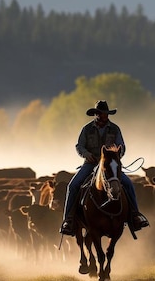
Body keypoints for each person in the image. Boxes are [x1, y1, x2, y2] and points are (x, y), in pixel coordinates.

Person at [59, 100, 149, 236]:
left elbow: (121, 146)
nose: (104, 116)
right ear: (96, 114)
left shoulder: (115, 129)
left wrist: (116, 155)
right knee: (73, 186)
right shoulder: (87, 129)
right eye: (101, 114)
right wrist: (86, 154)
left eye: (105, 114)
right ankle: (68, 220)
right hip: (90, 164)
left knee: (128, 184)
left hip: (109, 165)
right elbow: (79, 146)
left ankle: (135, 216)